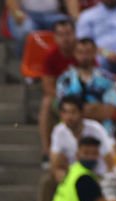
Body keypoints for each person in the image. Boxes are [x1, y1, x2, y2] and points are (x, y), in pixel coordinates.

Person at [55, 38, 116, 134]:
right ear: (74, 53)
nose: (84, 56)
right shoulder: (65, 79)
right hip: (71, 131)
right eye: (80, 52)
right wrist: (95, 108)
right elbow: (64, 111)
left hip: (103, 130)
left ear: (94, 53)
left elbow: (109, 112)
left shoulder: (108, 79)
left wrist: (77, 111)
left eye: (88, 52)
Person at [39, 20, 77, 163]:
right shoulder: (51, 56)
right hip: (62, 98)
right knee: (47, 102)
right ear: (55, 37)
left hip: (84, 97)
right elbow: (48, 86)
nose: (65, 38)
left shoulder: (83, 52)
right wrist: (66, 101)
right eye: (61, 35)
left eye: (68, 34)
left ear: (74, 34)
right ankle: (47, 151)